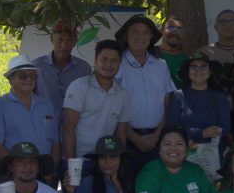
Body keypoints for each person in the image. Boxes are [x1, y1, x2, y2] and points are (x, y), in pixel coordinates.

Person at [115, 14, 175, 171]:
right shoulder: (116, 64)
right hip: (125, 139)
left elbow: (168, 101)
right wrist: (134, 138)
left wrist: (156, 136)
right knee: (129, 186)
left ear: (151, 38)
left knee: (156, 188)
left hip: (157, 139)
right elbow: (111, 106)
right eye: (135, 31)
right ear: (126, 36)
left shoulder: (161, 65)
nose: (140, 36)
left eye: (146, 32)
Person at [0, 54, 59, 184]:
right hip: (16, 177)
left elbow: (55, 142)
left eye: (32, 76)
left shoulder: (46, 104)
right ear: (11, 79)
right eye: (22, 76)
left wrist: (51, 170)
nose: (28, 79)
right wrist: (17, 169)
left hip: (45, 175)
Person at [62, 39, 130, 160]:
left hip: (106, 161)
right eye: (104, 59)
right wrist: (71, 165)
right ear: (95, 61)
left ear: (119, 64)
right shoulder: (79, 86)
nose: (109, 64)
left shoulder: (123, 94)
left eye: (114, 61)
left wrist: (118, 164)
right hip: (79, 159)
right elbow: (68, 129)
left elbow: (121, 134)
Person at [168, 52, 231, 155]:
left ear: (210, 72)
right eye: (193, 67)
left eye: (203, 66)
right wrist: (202, 133)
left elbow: (226, 128)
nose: (198, 70)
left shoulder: (219, 96)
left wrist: (215, 131)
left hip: (213, 155)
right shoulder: (178, 95)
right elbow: (174, 127)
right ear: (188, 72)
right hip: (186, 152)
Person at [33, 21, 92, 121]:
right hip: (42, 126)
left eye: (69, 41)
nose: (64, 45)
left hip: (74, 127)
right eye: (60, 40)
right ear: (52, 39)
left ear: (74, 42)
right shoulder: (36, 66)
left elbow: (89, 100)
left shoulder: (84, 68)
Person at [198, 8, 234, 73]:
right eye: (223, 22)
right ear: (215, 27)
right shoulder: (203, 53)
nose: (228, 25)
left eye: (233, 22)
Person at [157, 16, 189, 88]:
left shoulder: (188, 61)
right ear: (162, 30)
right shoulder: (150, 54)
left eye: (180, 29)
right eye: (171, 27)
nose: (175, 32)